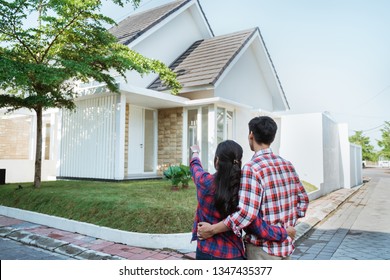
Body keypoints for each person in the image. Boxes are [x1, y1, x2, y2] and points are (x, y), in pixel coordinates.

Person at [197, 116, 309, 260]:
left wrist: (212, 229)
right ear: (272, 137)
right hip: (286, 248)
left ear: (251, 134)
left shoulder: (252, 168)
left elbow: (245, 214)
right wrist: (287, 226)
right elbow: (303, 201)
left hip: (262, 251)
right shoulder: (287, 165)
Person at [190, 139, 295, 260]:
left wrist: (195, 152)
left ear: (217, 161)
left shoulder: (204, 182)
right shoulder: (244, 189)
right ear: (238, 162)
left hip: (206, 252)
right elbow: (256, 226)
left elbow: (195, 166)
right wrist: (283, 232)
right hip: (233, 254)